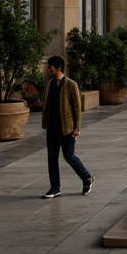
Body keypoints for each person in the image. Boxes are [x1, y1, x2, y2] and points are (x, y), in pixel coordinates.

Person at [40, 55, 94, 199]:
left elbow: (77, 107)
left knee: (69, 156)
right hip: (51, 128)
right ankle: (55, 187)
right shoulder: (50, 84)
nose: (48, 70)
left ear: (58, 68)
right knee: (52, 157)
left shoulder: (71, 84)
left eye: (50, 67)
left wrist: (77, 128)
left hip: (67, 128)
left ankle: (86, 177)